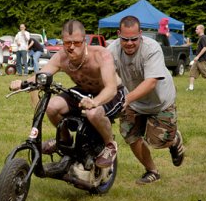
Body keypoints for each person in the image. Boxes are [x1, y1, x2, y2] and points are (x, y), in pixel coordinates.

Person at [10, 20, 125, 168]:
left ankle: (110, 145)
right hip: (84, 90)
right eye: (67, 43)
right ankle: (65, 142)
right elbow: (42, 74)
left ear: (84, 41)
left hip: (111, 93)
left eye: (76, 43)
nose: (71, 47)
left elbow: (111, 88)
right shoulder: (61, 57)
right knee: (51, 107)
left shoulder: (101, 55)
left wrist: (95, 102)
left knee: (93, 113)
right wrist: (23, 82)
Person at [107, 16, 185, 184]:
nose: (129, 43)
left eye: (134, 39)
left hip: (160, 101)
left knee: (158, 141)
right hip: (133, 102)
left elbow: (150, 83)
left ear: (140, 34)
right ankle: (152, 171)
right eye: (125, 39)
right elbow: (106, 77)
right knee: (130, 136)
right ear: (118, 34)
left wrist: (125, 99)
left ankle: (173, 140)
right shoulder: (111, 50)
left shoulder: (151, 48)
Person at [186, 24, 206, 91]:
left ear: (201, 29)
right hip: (198, 60)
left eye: (197, 29)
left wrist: (198, 56)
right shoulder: (200, 38)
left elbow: (205, 48)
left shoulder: (204, 37)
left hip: (202, 60)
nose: (195, 30)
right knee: (192, 73)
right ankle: (191, 88)